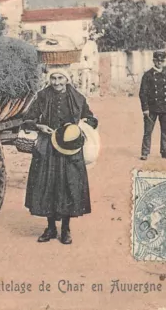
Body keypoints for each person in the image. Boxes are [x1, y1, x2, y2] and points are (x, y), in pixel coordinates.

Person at [22, 68, 98, 245]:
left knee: (68, 185)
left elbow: (90, 118)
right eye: (53, 79)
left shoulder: (78, 98)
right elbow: (28, 118)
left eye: (60, 78)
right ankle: (50, 228)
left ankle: (65, 229)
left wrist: (81, 126)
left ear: (67, 79)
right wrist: (40, 126)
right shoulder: (42, 96)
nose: (56, 82)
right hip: (48, 147)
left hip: (70, 148)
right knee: (48, 184)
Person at [139, 50, 166, 160]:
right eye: (157, 60)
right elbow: (142, 93)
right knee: (148, 131)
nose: (159, 62)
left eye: (161, 61)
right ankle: (145, 152)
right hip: (151, 108)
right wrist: (145, 108)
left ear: (164, 61)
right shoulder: (147, 75)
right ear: (154, 61)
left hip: (165, 108)